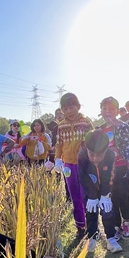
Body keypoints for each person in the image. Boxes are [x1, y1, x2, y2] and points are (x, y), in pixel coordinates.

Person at [52, 93, 95, 239]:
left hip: (84, 163)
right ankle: (80, 227)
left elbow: (93, 141)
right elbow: (59, 144)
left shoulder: (85, 122)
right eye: (65, 108)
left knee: (86, 196)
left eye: (71, 107)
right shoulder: (61, 125)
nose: (69, 110)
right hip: (68, 164)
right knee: (74, 196)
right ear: (62, 110)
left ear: (78, 106)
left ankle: (92, 226)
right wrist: (57, 159)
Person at [98, 97, 129, 237]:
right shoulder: (100, 130)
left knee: (123, 196)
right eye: (105, 109)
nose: (108, 112)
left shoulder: (123, 126)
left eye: (111, 109)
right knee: (112, 196)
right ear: (101, 111)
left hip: (121, 166)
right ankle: (116, 226)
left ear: (117, 110)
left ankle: (127, 223)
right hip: (106, 169)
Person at [79, 129, 123, 253]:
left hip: (106, 188)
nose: (95, 158)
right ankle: (92, 237)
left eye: (99, 155)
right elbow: (83, 177)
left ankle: (110, 239)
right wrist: (92, 196)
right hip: (90, 189)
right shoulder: (82, 156)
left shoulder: (111, 155)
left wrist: (106, 194)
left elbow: (110, 176)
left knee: (108, 211)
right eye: (91, 154)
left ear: (105, 150)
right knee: (91, 211)